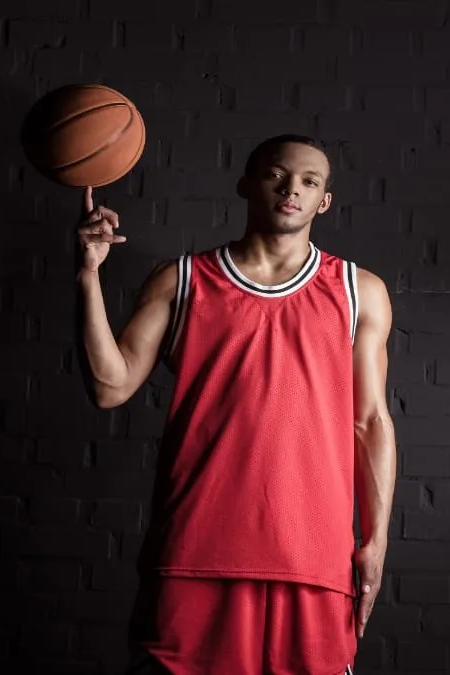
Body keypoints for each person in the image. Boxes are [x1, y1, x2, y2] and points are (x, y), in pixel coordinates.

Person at [74, 135, 397, 675]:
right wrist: (88, 274)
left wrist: (377, 539)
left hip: (312, 557)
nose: (291, 188)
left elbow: (370, 422)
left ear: (323, 201)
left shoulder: (358, 290)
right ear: (246, 184)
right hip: (195, 549)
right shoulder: (181, 281)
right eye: (276, 174)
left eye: (309, 181)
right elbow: (110, 386)